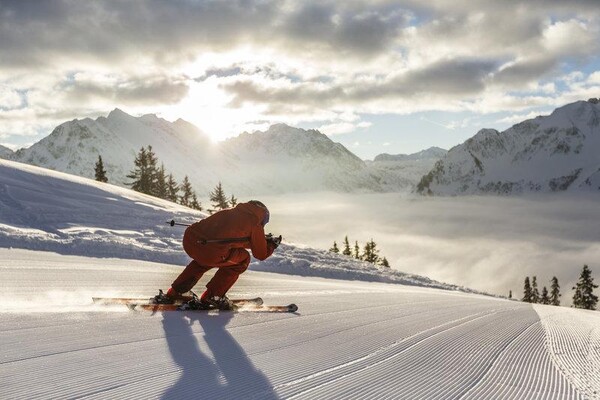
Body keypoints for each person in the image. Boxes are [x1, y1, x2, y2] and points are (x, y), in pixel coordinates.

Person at [158, 200, 281, 310]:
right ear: (262, 214)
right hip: (212, 250)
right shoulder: (255, 223)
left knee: (204, 260)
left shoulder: (230, 211)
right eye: (265, 221)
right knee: (243, 259)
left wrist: (258, 240)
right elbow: (260, 254)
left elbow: (231, 238)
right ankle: (214, 296)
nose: (264, 224)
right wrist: (270, 245)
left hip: (191, 243)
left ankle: (175, 292)